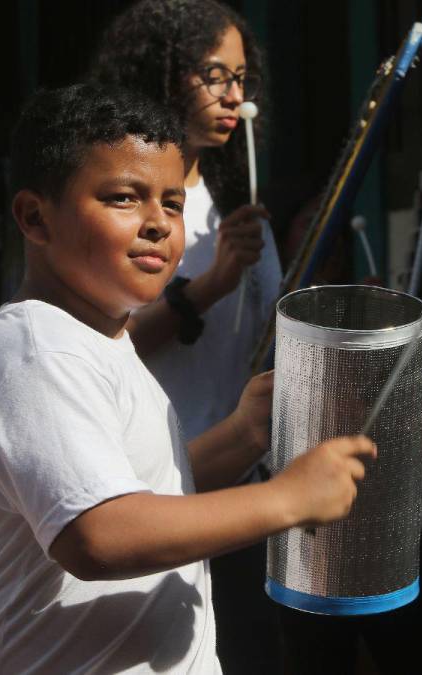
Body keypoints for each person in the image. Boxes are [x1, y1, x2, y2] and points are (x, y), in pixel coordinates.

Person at [0, 83, 376, 674]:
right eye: (124, 198)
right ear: (35, 218)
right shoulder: (38, 352)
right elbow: (101, 532)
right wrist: (287, 498)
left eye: (172, 203)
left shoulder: (102, 338)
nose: (158, 224)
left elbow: (143, 488)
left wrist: (246, 433)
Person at [89, 3, 283, 669]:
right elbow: (97, 341)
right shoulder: (123, 199)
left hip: (242, 490)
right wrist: (207, 287)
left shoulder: (237, 204)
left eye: (242, 79)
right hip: (156, 491)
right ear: (164, 77)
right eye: (213, 75)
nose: (234, 96)